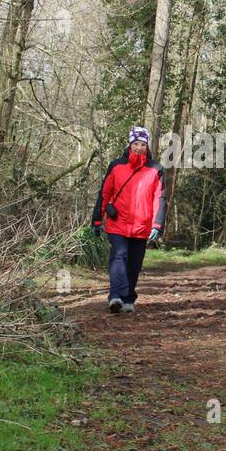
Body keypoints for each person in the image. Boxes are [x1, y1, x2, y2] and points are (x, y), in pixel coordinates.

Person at [91, 126, 165, 313]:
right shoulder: (116, 165)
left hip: (142, 226)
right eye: (135, 143)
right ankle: (115, 296)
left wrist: (157, 224)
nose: (139, 147)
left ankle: (128, 298)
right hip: (118, 223)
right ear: (129, 145)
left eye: (142, 144)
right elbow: (104, 193)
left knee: (134, 264)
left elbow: (160, 198)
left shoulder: (155, 169)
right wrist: (97, 220)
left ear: (147, 146)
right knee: (119, 255)